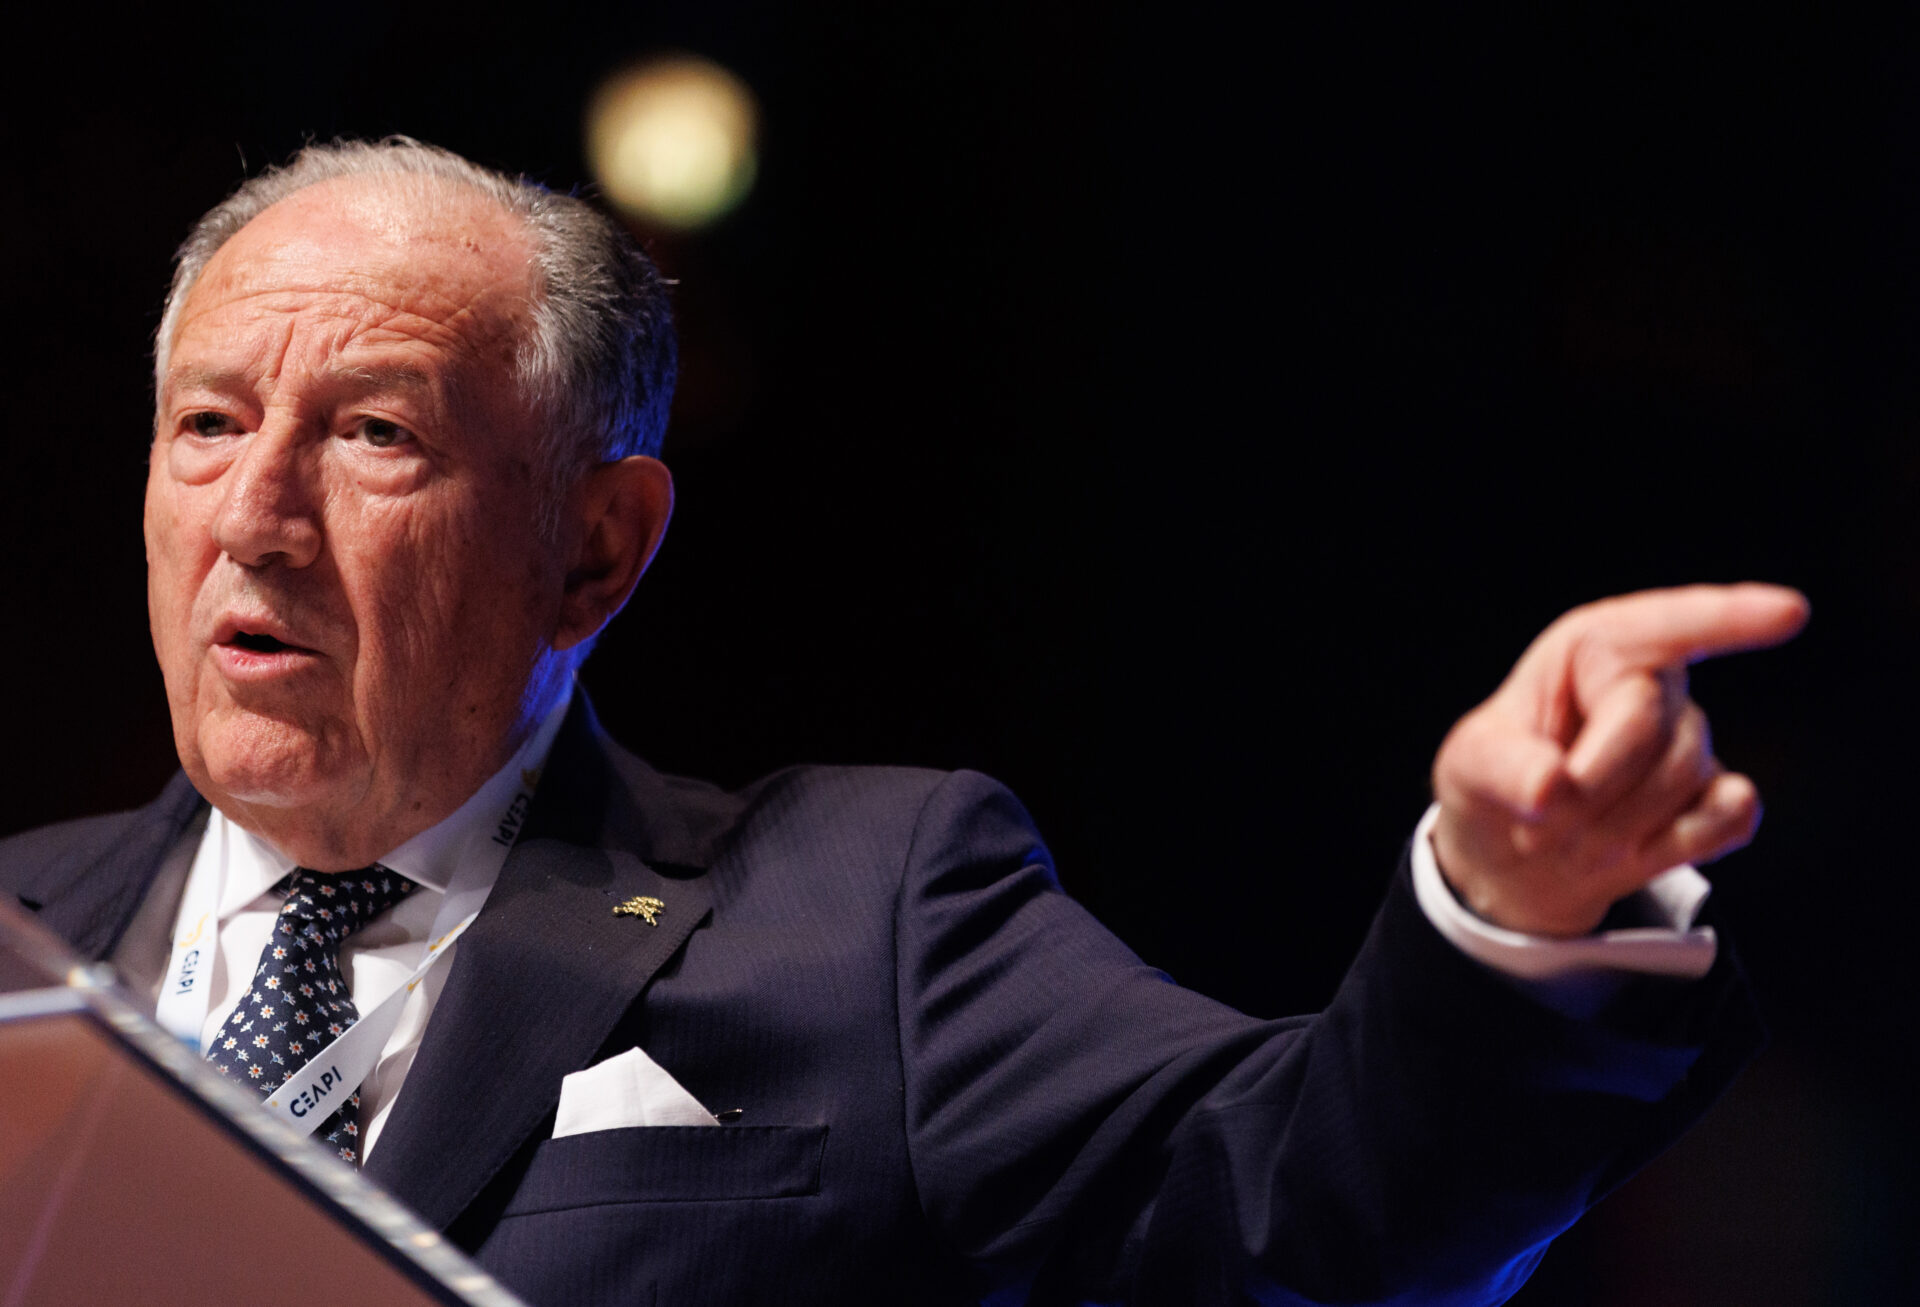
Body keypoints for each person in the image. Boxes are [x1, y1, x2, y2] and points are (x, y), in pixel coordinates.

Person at [0, 138, 1808, 1306]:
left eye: (376, 435)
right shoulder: (20, 936)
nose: (256, 517)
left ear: (594, 550)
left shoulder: (856, 915)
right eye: (208, 425)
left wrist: (1511, 914)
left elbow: (1305, 1212)